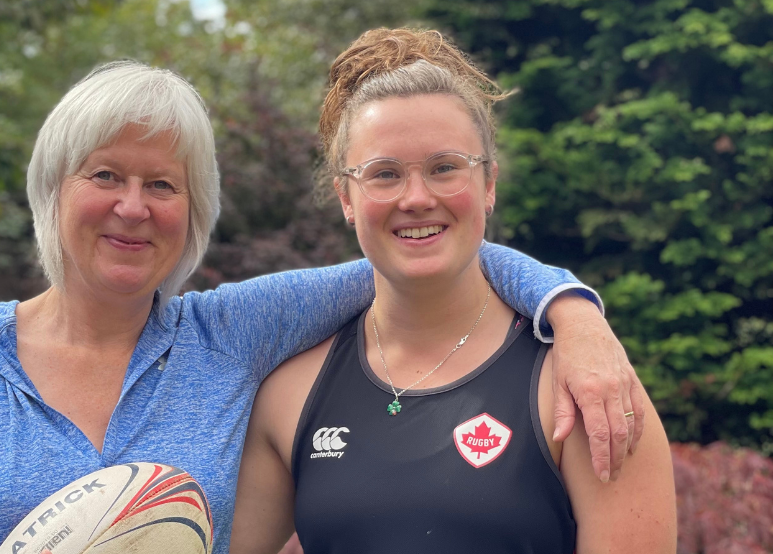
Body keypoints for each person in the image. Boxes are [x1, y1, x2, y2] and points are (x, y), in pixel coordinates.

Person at [0, 61, 645, 554]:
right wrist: (573, 306)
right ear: (49, 189)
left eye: (162, 185)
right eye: (104, 176)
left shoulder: (229, 333)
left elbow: (422, 250)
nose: (133, 207)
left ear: (192, 212)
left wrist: (573, 311)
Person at [230, 28, 676, 553]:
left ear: (489, 184)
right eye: (384, 174)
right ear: (346, 197)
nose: (416, 198)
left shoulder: (585, 388)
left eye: (445, 168)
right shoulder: (289, 396)